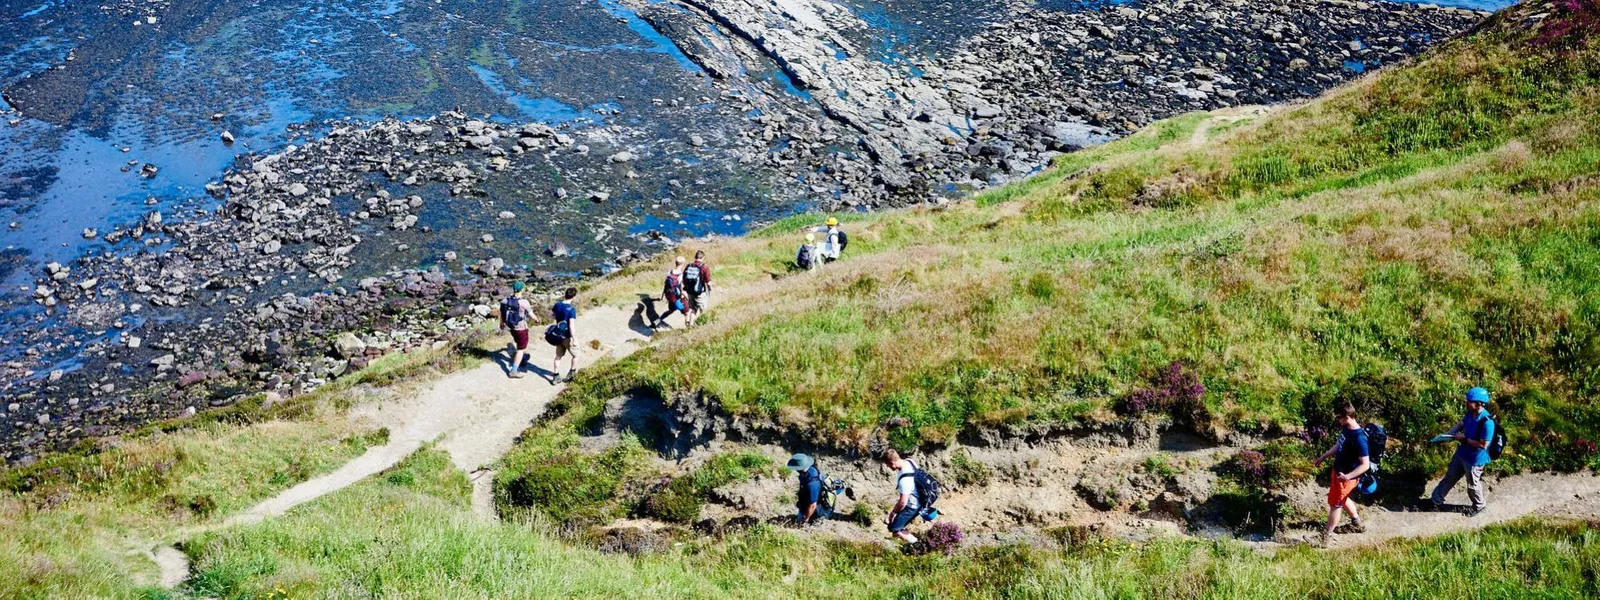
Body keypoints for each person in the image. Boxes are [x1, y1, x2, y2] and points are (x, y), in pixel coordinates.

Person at [1429, 387, 1495, 517]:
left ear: (1479, 403)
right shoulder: (1470, 413)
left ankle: (1479, 505)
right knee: (1450, 477)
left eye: (1470, 401)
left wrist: (1463, 439)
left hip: (1474, 460)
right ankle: (1435, 501)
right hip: (1462, 453)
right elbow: (1460, 424)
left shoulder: (1487, 422)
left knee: (1472, 485)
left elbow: (1483, 445)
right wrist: (1446, 436)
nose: (1467, 403)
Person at [1313, 403, 1369, 547]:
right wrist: (1324, 456)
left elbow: (1365, 465)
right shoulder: (1346, 429)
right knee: (1342, 499)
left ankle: (1324, 538)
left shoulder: (1360, 439)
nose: (1337, 420)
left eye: (1339, 417)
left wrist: (1347, 477)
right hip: (1338, 472)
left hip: (1346, 478)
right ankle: (1357, 523)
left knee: (1335, 505)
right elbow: (1340, 444)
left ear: (1348, 416)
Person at [497, 281, 536, 379]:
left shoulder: (505, 300)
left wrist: (501, 324)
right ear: (522, 290)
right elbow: (531, 315)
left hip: (511, 327)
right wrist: (537, 320)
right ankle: (514, 370)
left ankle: (522, 358)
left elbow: (501, 313)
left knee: (518, 342)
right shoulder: (524, 302)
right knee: (521, 349)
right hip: (521, 328)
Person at [881, 449, 920, 544]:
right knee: (898, 524)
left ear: (892, 463)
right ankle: (897, 542)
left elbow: (903, 502)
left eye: (888, 465)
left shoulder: (905, 480)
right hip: (920, 499)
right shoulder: (910, 462)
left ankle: (916, 544)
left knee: (894, 527)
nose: (888, 467)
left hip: (912, 506)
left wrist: (893, 512)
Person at [549, 287, 579, 383]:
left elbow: (552, 315)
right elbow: (571, 326)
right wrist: (574, 339)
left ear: (565, 295)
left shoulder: (557, 305)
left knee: (558, 356)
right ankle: (571, 373)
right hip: (567, 337)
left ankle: (555, 376)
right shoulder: (571, 310)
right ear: (573, 297)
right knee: (576, 355)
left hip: (558, 335)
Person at [787, 453, 823, 526]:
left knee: (800, 523)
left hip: (816, 509)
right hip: (807, 503)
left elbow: (813, 505)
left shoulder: (812, 484)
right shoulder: (810, 470)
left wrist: (805, 519)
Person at [651, 257, 687, 330]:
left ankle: (657, 321)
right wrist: (687, 297)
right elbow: (682, 289)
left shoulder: (669, 272)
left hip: (670, 296)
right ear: (682, 264)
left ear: (675, 263)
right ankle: (689, 329)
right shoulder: (681, 275)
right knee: (687, 313)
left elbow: (666, 284)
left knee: (670, 311)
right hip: (678, 298)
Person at [682, 250, 712, 328]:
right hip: (700, 293)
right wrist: (710, 289)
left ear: (695, 257)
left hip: (690, 292)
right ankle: (703, 325)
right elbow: (708, 282)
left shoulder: (689, 266)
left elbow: (683, 279)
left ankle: (691, 325)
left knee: (693, 309)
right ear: (703, 258)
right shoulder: (704, 267)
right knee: (703, 309)